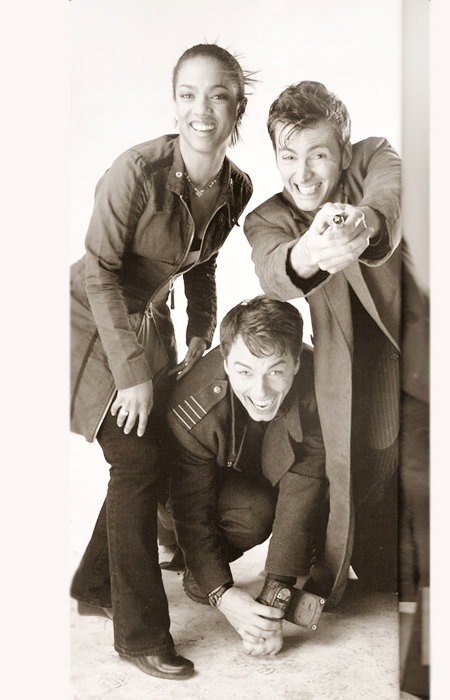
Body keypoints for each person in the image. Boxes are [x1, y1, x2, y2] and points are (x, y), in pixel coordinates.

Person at [69, 43, 254, 679]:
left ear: (237, 109)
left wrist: (201, 330)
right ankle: (140, 635)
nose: (202, 110)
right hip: (89, 321)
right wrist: (131, 376)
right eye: (188, 94)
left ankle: (95, 583)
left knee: (147, 450)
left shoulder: (236, 186)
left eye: (218, 96)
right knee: (137, 456)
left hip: (149, 325)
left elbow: (203, 263)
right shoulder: (136, 170)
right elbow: (99, 273)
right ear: (174, 102)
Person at [244, 81, 428, 603]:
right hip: (356, 385)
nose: (303, 173)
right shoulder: (267, 217)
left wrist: (361, 223)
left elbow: (390, 191)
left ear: (343, 153)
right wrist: (310, 251)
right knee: (381, 565)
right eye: (289, 157)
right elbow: (273, 270)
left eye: (318, 155)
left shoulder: (374, 155)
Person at [166, 296, 327, 657]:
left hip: (249, 480)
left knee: (263, 505)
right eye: (244, 372)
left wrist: (272, 607)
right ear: (225, 362)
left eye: (275, 371)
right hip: (182, 497)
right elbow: (190, 509)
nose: (261, 391)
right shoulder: (194, 404)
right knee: (250, 515)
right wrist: (221, 593)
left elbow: (303, 485)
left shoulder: (318, 384)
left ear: (297, 362)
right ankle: (191, 561)